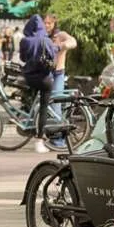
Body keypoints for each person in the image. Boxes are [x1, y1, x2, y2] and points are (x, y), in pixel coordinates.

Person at [19, 15, 59, 153]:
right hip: (44, 79)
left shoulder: (25, 41)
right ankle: (39, 140)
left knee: (26, 96)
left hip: (29, 78)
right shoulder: (47, 41)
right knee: (43, 107)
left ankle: (28, 119)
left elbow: (22, 58)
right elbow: (53, 59)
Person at [43, 13, 78, 150]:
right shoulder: (42, 36)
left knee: (55, 105)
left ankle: (59, 141)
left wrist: (62, 45)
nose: (46, 25)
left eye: (49, 23)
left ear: (54, 24)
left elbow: (73, 42)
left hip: (57, 73)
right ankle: (50, 135)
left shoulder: (60, 35)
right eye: (45, 23)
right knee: (45, 106)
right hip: (45, 73)